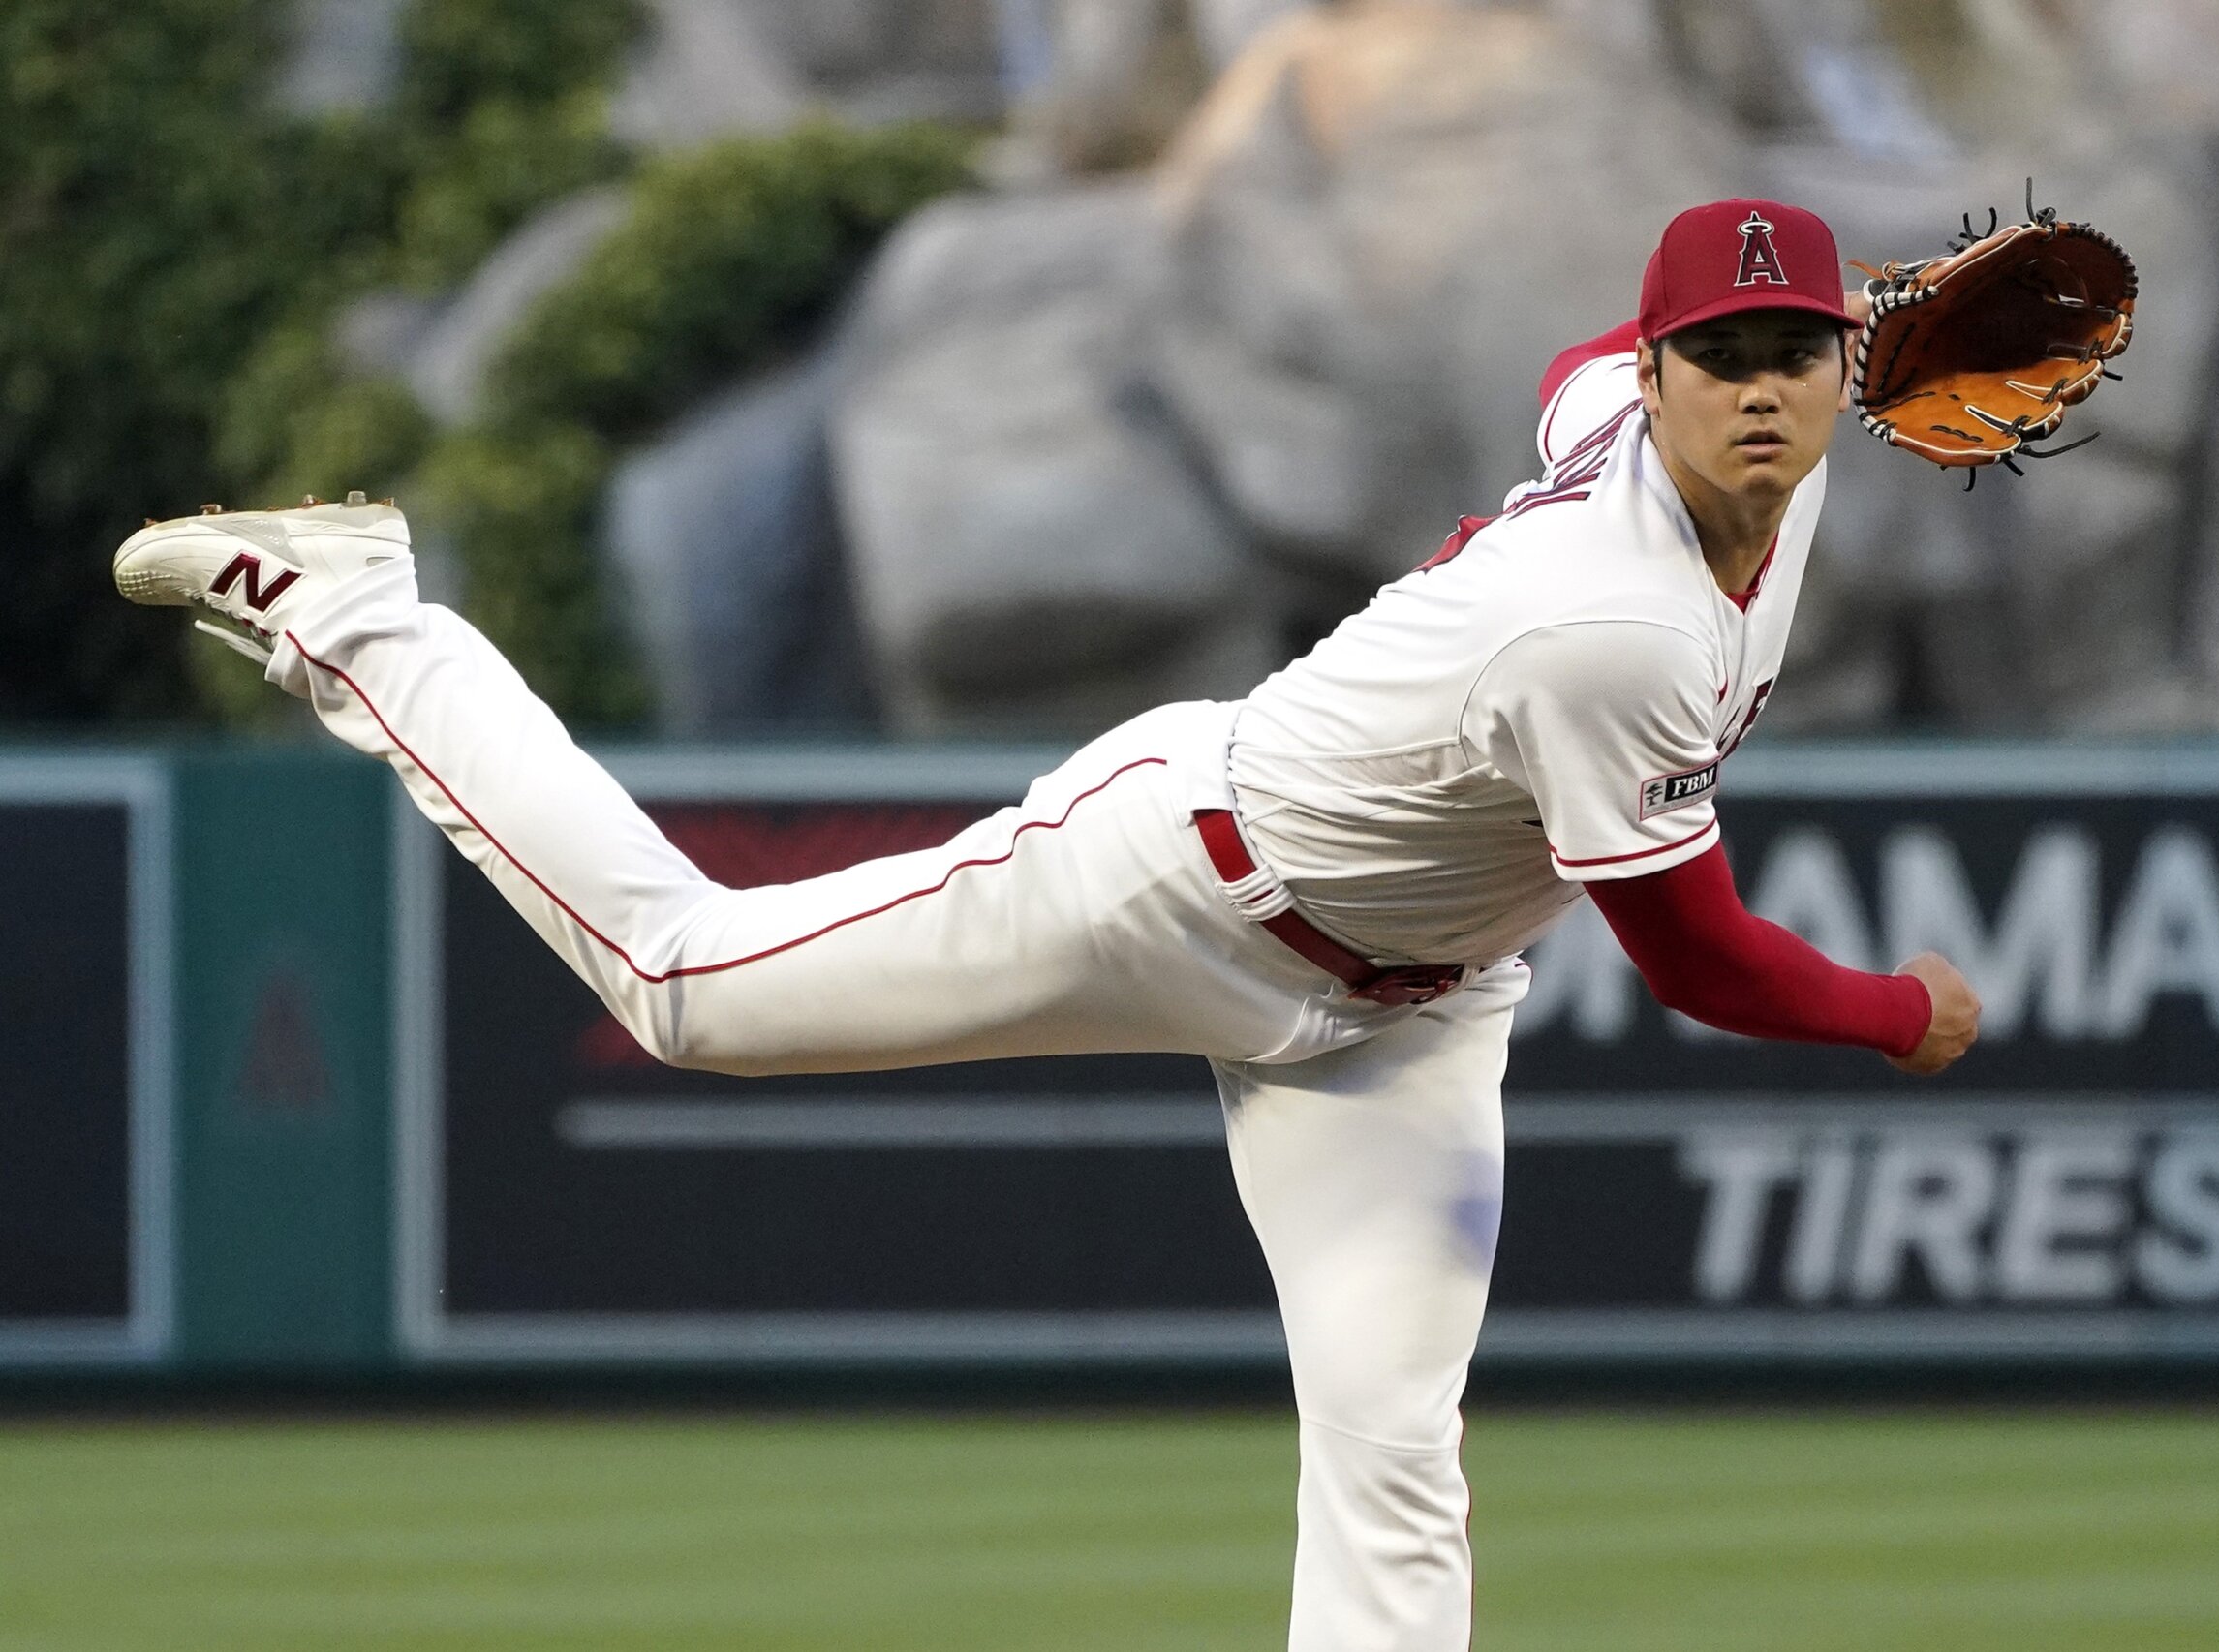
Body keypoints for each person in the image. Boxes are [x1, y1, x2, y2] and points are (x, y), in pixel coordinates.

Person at [114, 197, 1981, 1652]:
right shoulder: (1615, 623)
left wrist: (1888, 302)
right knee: (686, 986)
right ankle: (359, 615)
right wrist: (1898, 1012)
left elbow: (1594, 339)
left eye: (1798, 351)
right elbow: (1701, 955)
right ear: (1659, 380)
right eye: (1717, 351)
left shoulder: (1710, 430)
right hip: (1172, 880)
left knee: (1396, 1450)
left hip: (1412, 1016)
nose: (1758, 387)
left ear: (1845, 371)